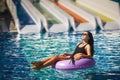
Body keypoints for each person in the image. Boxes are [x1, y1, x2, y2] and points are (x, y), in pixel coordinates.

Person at [30, 31, 94, 70]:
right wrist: (67, 54)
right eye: (83, 34)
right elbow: (75, 53)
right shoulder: (79, 43)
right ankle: (39, 63)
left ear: (89, 37)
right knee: (53, 56)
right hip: (71, 57)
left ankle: (40, 66)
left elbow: (90, 56)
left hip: (74, 60)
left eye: (85, 34)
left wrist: (83, 55)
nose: (83, 35)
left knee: (55, 57)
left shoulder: (87, 45)